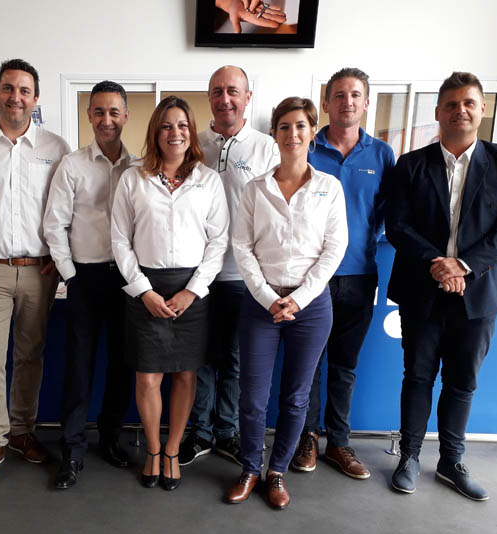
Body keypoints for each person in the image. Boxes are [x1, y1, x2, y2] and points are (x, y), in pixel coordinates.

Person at [385, 72, 497, 501]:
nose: (460, 110)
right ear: (438, 112)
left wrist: (463, 266)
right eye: (450, 104)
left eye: (468, 103)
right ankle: (409, 457)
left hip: (480, 292)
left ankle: (451, 460)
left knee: (462, 380)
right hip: (422, 288)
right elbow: (398, 225)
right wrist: (438, 265)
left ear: (482, 109)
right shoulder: (411, 164)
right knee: (417, 376)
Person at [0, 58, 70, 485]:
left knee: (29, 356)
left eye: (24, 90)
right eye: (8, 88)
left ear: (35, 98)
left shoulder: (56, 147)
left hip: (40, 271)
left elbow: (66, 209)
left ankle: (22, 431)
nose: (15, 97)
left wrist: (60, 258)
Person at [227, 97, 347, 509]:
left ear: (312, 133)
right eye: (284, 127)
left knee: (296, 397)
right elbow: (242, 247)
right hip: (260, 305)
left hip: (310, 307)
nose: (292, 134)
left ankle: (276, 472)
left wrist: (297, 298)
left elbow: (334, 249)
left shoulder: (329, 188)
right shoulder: (255, 189)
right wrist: (268, 297)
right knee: (252, 397)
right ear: (274, 134)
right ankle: (250, 468)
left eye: (300, 126)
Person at [111, 96, 228, 491]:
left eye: (181, 125)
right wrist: (143, 291)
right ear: (155, 132)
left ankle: (174, 450)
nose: (174, 132)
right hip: (145, 289)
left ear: (191, 132)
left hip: (192, 291)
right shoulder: (133, 178)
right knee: (147, 378)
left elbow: (218, 242)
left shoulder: (208, 181)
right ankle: (153, 450)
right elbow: (120, 240)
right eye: (166, 125)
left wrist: (192, 292)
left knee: (184, 374)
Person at [291, 68, 396, 479]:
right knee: (308, 365)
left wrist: (364, 238)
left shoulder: (381, 155)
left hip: (359, 275)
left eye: (354, 95)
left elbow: (387, 212)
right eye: (338, 95)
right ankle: (306, 438)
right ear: (326, 103)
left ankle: (339, 442)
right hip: (310, 278)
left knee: (344, 365)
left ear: (366, 103)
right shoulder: (307, 147)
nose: (347, 102)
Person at [179, 65, 276, 468]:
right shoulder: (192, 143)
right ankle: (199, 432)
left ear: (247, 97)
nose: (225, 99)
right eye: (217, 91)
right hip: (195, 274)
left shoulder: (266, 148)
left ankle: (227, 431)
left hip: (243, 275)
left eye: (233, 91)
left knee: (235, 360)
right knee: (199, 358)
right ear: (209, 98)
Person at [43, 81, 135, 489]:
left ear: (126, 115)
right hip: (85, 277)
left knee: (121, 364)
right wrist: (71, 274)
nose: (106, 119)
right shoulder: (72, 165)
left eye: (114, 111)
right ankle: (72, 450)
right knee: (78, 368)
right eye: (99, 111)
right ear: (89, 116)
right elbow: (54, 225)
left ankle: (111, 439)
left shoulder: (139, 167)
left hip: (127, 279)